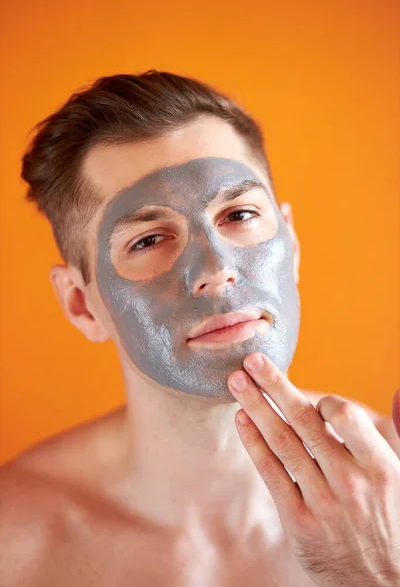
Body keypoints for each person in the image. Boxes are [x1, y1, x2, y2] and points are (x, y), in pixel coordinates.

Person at [1, 71, 399, 586]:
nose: (215, 270)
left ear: (292, 247)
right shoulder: (15, 541)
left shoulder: (394, 490)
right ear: (81, 304)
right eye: (147, 240)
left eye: (239, 213)